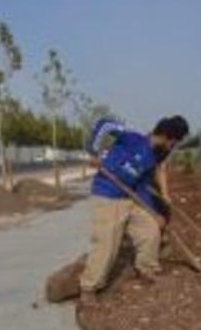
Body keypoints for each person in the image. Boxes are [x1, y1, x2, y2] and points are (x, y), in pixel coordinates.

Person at [79, 115, 189, 305]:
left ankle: (146, 269)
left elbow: (141, 187)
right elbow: (105, 124)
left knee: (150, 230)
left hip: (129, 198)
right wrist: (94, 152)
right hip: (107, 195)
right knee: (107, 244)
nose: (172, 147)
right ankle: (89, 288)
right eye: (174, 142)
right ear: (166, 136)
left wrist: (155, 214)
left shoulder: (153, 157)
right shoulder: (132, 139)